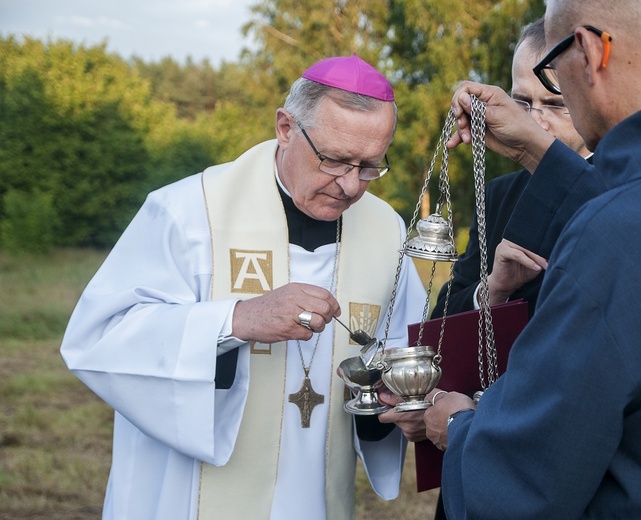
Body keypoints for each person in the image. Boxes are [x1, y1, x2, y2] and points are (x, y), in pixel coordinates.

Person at [60, 54, 427, 520]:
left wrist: (398, 404)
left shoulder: (386, 231)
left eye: (370, 166)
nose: (351, 185)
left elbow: (399, 350)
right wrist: (234, 320)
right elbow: (99, 337)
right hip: (187, 497)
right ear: (286, 128)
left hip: (313, 494)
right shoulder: (190, 212)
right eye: (334, 160)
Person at [424, 0, 641, 518]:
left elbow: (524, 480)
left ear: (587, 52)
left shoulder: (615, 235)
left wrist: (459, 426)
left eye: (553, 74)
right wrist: (534, 150)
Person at [430, 17, 593, 323]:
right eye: (522, 102)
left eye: (555, 103)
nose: (535, 121)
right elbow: (441, 323)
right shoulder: (498, 195)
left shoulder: (622, 179)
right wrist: (494, 288)